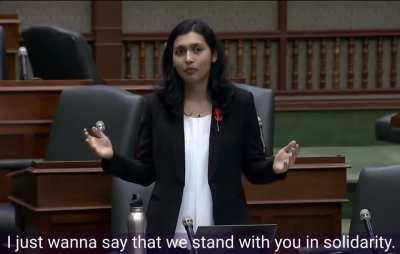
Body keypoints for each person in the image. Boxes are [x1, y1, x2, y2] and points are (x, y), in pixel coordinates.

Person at [84, 19, 299, 240]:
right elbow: (146, 172)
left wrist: (275, 166)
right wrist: (112, 158)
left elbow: (254, 168)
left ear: (213, 55)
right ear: (173, 60)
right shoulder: (156, 105)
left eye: (197, 50)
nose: (188, 58)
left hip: (224, 231)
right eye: (180, 52)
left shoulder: (239, 104)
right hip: (168, 233)